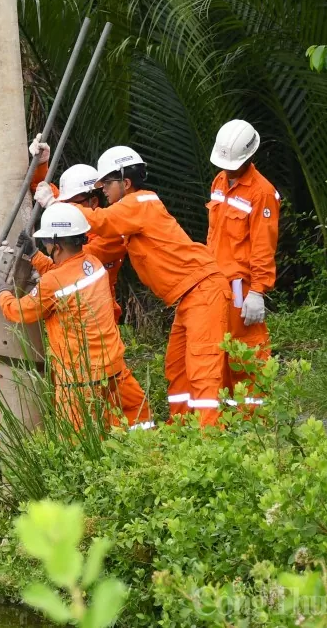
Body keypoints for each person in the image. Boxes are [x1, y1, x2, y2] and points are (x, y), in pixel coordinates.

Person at [35, 146, 230, 427]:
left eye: (106, 185)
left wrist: (55, 206)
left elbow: (98, 220)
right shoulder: (125, 220)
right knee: (177, 367)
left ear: (125, 183)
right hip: (190, 296)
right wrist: (42, 170)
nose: (102, 192)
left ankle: (211, 440)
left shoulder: (140, 204)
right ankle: (184, 432)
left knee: (203, 370)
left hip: (203, 291)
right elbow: (78, 253)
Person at [0, 203, 151, 430]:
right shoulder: (93, 263)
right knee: (137, 422)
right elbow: (64, 274)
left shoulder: (54, 282)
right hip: (114, 369)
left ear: (56, 244)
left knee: (78, 441)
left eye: (45, 243)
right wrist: (34, 255)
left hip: (79, 380)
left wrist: (2, 291)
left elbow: (19, 311)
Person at [206, 120, 280, 404]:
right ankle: (226, 416)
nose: (228, 168)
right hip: (216, 284)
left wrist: (257, 291)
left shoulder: (261, 193)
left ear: (249, 157)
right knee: (219, 353)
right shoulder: (219, 182)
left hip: (240, 289)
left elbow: (263, 246)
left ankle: (254, 421)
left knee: (248, 354)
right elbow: (213, 234)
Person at [26, 138, 126, 321]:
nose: (64, 208)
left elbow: (71, 261)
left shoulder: (112, 235)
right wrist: (41, 162)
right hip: (67, 313)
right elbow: (40, 186)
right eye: (64, 203)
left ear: (93, 201)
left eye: (69, 204)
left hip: (99, 314)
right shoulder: (67, 205)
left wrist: (35, 257)